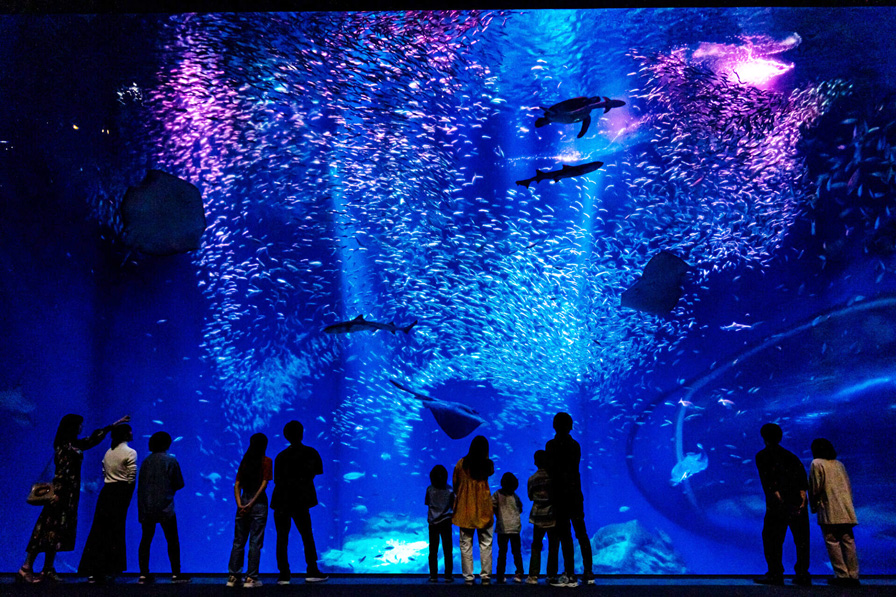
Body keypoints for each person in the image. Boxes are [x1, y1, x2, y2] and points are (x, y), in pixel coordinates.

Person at [18, 413, 129, 584]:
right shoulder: (63, 446)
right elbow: (62, 472)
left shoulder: (75, 444)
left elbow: (92, 440)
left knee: (57, 532)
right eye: (79, 424)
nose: (81, 427)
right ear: (71, 426)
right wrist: (55, 494)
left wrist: (113, 425)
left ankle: (47, 568)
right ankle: (26, 567)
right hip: (59, 493)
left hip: (70, 495)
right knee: (44, 529)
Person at [78, 424, 138, 583]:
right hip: (120, 492)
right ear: (125, 435)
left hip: (106, 493)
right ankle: (111, 568)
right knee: (115, 531)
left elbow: (105, 473)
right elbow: (131, 477)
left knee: (99, 530)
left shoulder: (108, 452)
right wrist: (127, 497)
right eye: (130, 431)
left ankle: (94, 569)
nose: (132, 433)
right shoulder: (131, 452)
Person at [753, 423, 811, 587]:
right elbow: (802, 481)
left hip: (778, 506)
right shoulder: (792, 456)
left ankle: (775, 574)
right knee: (801, 540)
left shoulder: (762, 456)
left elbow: (770, 480)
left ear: (763, 437)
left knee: (772, 539)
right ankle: (802, 574)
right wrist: (801, 501)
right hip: (798, 504)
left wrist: (780, 500)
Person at [271, 420, 328, 584]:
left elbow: (277, 480)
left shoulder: (281, 456)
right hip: (301, 500)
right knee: (307, 535)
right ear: (302, 433)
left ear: (286, 435)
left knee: (282, 537)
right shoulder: (311, 453)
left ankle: (284, 574)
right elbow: (317, 472)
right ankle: (312, 570)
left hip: (282, 500)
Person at [545, 412, 592, 587]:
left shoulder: (550, 445)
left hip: (559, 496)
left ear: (554, 426)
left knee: (565, 536)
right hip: (575, 495)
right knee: (582, 534)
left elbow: (551, 470)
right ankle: (588, 572)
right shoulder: (575, 446)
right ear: (571, 426)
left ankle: (570, 573)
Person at [137, 431, 190, 584]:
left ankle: (143, 574)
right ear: (167, 444)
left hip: (146, 507)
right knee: (172, 540)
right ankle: (176, 573)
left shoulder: (146, 461)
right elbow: (179, 483)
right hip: (165, 507)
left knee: (146, 539)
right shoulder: (170, 460)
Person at [809, 438, 860, 587]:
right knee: (848, 541)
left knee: (832, 541)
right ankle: (853, 575)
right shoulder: (839, 464)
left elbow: (815, 487)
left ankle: (842, 575)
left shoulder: (816, 463)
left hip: (829, 508)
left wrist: (813, 506)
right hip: (846, 508)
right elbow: (848, 486)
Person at [227, 433, 273, 588]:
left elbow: (237, 484)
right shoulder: (266, 461)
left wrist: (240, 504)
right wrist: (252, 503)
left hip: (243, 501)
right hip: (258, 503)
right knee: (255, 542)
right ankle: (251, 578)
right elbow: (264, 484)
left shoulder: (245, 461)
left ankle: (233, 576)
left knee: (238, 541)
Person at [452, 434, 495, 586]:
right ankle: (485, 577)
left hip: (465, 509)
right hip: (483, 508)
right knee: (486, 543)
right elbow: (490, 473)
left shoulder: (461, 463)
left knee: (465, 544)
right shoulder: (487, 465)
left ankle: (469, 577)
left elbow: (455, 485)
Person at [526, 449, 558, 585]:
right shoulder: (553, 478)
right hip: (552, 515)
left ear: (535, 462)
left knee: (536, 544)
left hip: (538, 516)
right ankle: (551, 575)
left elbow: (530, 496)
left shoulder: (532, 479)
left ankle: (533, 575)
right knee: (553, 545)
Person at [425, 464, 455, 583]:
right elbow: (453, 505)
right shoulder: (450, 490)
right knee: (448, 549)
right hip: (446, 522)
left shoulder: (429, 489)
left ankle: (433, 576)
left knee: (433, 550)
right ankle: (448, 576)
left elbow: (427, 503)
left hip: (433, 523)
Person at [492, 472, 524, 584]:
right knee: (516, 552)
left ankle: (500, 576)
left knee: (502, 553)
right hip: (515, 528)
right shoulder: (515, 496)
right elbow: (520, 509)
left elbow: (492, 506)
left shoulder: (497, 494)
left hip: (503, 529)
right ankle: (519, 574)